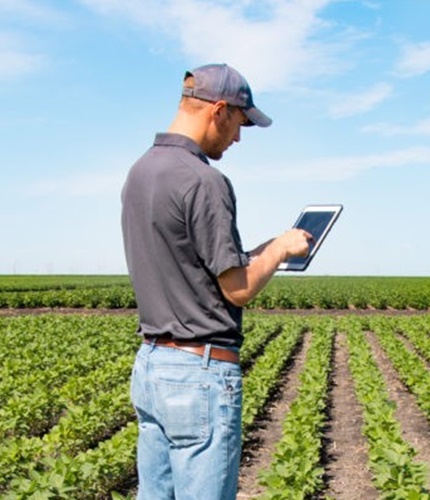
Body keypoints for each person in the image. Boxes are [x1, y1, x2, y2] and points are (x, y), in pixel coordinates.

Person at [121, 63, 312, 500]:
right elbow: (237, 288)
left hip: (151, 365)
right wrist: (280, 251)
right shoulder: (204, 180)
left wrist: (274, 243)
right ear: (219, 110)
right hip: (197, 373)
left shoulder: (140, 172)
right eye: (240, 123)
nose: (239, 137)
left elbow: (194, 264)